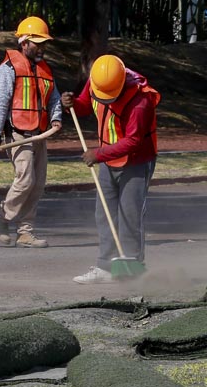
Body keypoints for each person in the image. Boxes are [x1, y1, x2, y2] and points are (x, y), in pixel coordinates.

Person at [61, 55, 160, 284]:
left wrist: (98, 154)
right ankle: (105, 267)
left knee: (129, 216)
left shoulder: (140, 100)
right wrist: (72, 104)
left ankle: (133, 267)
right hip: (108, 161)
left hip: (135, 162)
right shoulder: (99, 80)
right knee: (104, 213)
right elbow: (86, 105)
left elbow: (134, 140)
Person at [0, 16, 63, 248]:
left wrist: (57, 117)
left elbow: (54, 97)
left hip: (40, 133)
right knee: (25, 179)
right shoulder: (8, 68)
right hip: (18, 133)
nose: (41, 48)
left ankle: (26, 232)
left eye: (44, 43)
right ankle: (1, 216)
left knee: (38, 184)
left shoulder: (45, 69)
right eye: (37, 43)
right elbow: (0, 103)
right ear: (24, 42)